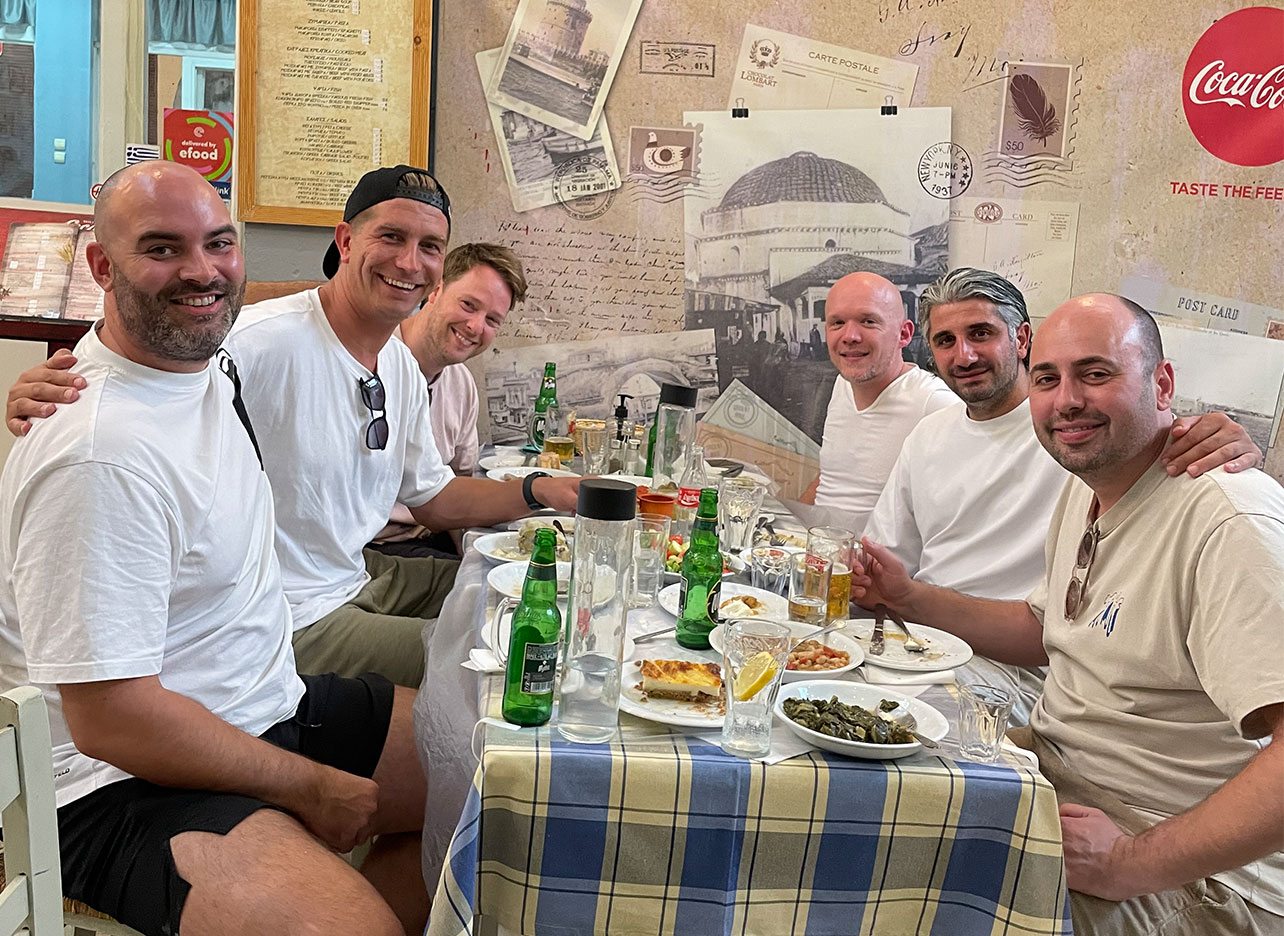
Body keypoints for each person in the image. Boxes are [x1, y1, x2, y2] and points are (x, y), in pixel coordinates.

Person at [0, 161, 429, 936]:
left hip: (263, 705)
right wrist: (309, 787)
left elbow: (242, 305)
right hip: (116, 782)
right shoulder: (101, 455)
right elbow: (113, 721)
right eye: (161, 248)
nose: (202, 272)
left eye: (220, 244)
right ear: (101, 267)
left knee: (493, 773)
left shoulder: (207, 366)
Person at [4, 165, 581, 690]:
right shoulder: (257, 343)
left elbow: (432, 496)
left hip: (354, 573)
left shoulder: (401, 365)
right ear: (346, 241)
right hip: (288, 611)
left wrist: (540, 492)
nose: (409, 262)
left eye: (428, 246)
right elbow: (156, 346)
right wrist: (66, 382)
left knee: (520, 590)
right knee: (509, 658)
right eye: (391, 237)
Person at [855, 293, 1284, 935]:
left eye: (1097, 373)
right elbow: (1046, 632)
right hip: (1056, 780)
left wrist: (1128, 863)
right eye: (1048, 378)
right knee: (862, 819)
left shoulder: (1226, 519)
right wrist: (908, 598)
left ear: (1162, 383)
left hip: (1196, 876)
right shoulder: (1090, 491)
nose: (1067, 401)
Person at [864, 269, 1262, 722]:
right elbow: (891, 565)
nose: (965, 354)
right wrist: (892, 595)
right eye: (946, 341)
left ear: (1022, 339)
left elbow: (1153, 435)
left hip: (1015, 675)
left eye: (981, 333)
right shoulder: (950, 439)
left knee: (889, 720)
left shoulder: (1078, 449)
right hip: (938, 645)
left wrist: (1225, 442)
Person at [372, 242, 528, 558]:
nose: (475, 327)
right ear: (436, 289)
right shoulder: (371, 360)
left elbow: (459, 485)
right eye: (468, 305)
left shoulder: (462, 385)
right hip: (372, 548)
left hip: (431, 539)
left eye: (492, 320)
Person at [799, 272, 957, 532]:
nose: (850, 336)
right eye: (837, 323)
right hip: (821, 557)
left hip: (874, 568)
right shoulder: (843, 383)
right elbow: (830, 482)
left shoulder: (934, 402)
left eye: (868, 321)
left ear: (904, 334)